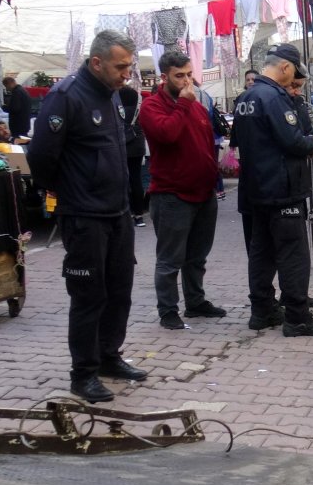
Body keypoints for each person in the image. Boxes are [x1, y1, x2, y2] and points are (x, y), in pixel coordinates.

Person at [28, 30, 148, 403]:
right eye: (121, 66)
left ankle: (109, 356)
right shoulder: (66, 97)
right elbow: (40, 158)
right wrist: (72, 192)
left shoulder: (111, 94)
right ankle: (83, 374)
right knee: (89, 296)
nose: (126, 73)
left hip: (118, 213)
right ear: (97, 62)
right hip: (84, 216)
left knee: (119, 292)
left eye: (129, 66)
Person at [232, 43, 313, 337]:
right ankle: (298, 317)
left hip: (256, 190)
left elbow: (238, 141)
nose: (294, 80)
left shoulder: (246, 97)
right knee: (293, 253)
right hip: (282, 189)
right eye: (294, 73)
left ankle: (262, 311)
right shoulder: (274, 97)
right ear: (285, 67)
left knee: (261, 252)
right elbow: (293, 141)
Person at [139, 51, 226, 331]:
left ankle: (195, 301)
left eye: (189, 74)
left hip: (203, 192)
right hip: (171, 195)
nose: (187, 81)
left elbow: (206, 143)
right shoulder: (152, 106)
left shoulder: (197, 107)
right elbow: (167, 134)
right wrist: (184, 105)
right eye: (180, 76)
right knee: (170, 259)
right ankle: (168, 311)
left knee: (197, 256)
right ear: (164, 77)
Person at [118, 84, 148, 227]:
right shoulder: (139, 107)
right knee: (136, 179)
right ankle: (139, 215)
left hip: (123, 144)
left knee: (124, 179)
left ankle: (127, 212)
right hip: (137, 143)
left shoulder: (119, 109)